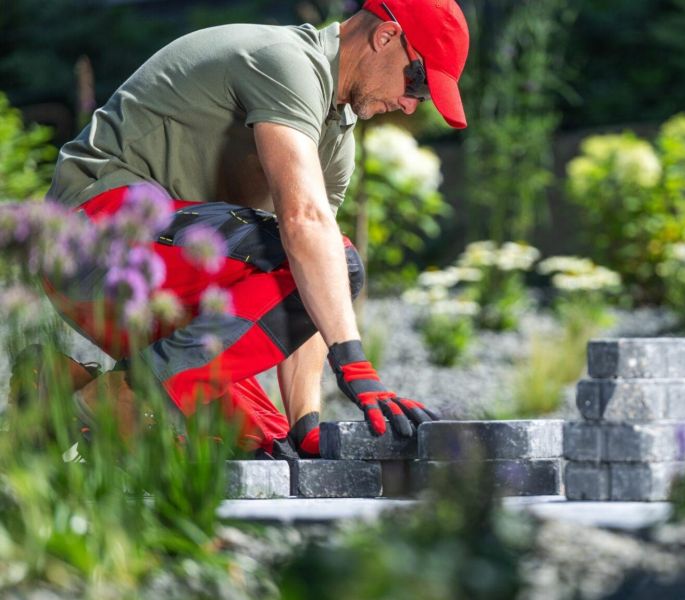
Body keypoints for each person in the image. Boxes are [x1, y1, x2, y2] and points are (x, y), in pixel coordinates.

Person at [34, 0, 470, 457]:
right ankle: (128, 396)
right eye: (416, 81)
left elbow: (314, 277)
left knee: (262, 442)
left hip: (161, 280)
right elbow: (305, 226)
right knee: (334, 254)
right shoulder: (287, 62)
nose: (408, 103)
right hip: (92, 239)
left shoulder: (335, 145)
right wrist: (355, 363)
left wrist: (308, 427)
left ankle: (61, 393)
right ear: (386, 37)